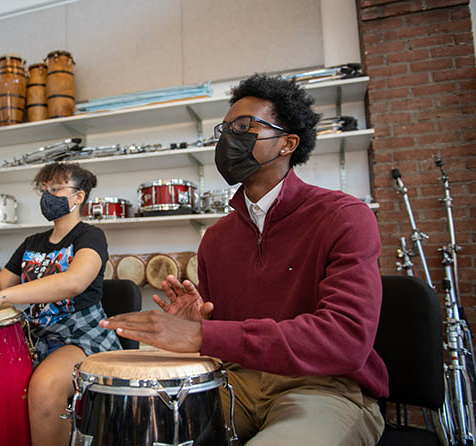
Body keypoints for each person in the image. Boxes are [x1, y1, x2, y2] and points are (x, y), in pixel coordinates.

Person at [100, 74, 387, 445]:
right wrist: (199, 325)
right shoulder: (216, 239)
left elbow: (346, 339)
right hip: (238, 382)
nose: (228, 138)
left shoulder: (344, 216)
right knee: (134, 430)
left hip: (323, 387)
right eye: (225, 128)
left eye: (244, 127)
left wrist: (205, 333)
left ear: (287, 143)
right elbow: (231, 337)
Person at [0, 162, 121, 446]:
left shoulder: (90, 235)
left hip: (83, 338)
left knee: (44, 386)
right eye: (44, 190)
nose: (48, 197)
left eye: (56, 189)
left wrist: (3, 296)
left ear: (79, 197)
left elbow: (74, 282)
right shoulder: (32, 242)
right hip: (35, 339)